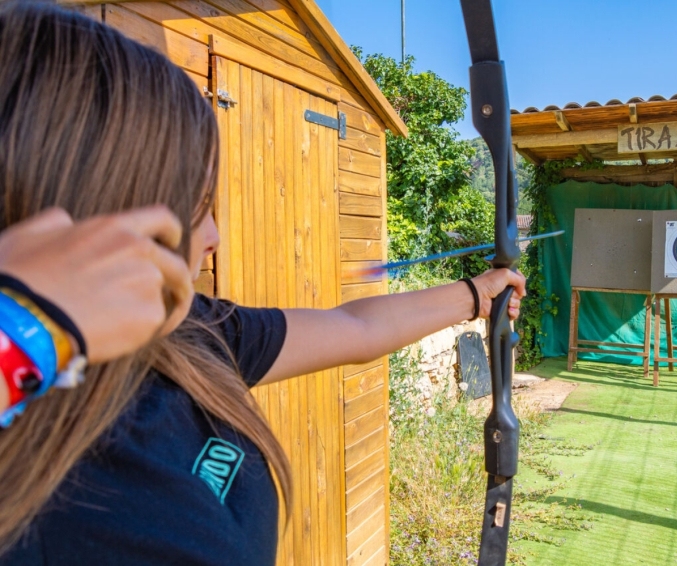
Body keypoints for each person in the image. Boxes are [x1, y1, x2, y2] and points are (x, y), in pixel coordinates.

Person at [0, 4, 526, 565]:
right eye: (196, 204)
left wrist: (475, 294)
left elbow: (351, 327)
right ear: (96, 208)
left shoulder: (183, 336)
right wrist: (23, 325)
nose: (213, 235)